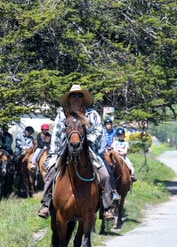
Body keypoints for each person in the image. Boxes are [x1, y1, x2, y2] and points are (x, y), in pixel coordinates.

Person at [37, 84, 120, 220]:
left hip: (88, 149)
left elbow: (99, 130)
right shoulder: (62, 114)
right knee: (51, 172)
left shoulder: (92, 114)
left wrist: (89, 139)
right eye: (73, 96)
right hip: (65, 149)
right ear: (69, 99)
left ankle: (107, 207)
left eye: (79, 96)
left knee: (105, 175)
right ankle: (46, 204)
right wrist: (53, 153)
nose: (76, 98)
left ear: (83, 99)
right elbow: (57, 134)